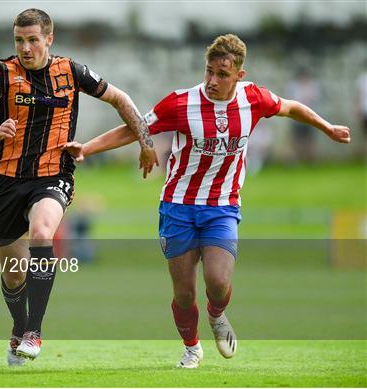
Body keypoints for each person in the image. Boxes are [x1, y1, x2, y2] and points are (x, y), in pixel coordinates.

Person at [63, 34, 351, 369]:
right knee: (184, 292)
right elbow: (136, 127)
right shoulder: (180, 103)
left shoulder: (254, 99)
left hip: (222, 207)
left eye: (222, 74)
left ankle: (217, 315)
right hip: (177, 207)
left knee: (217, 282)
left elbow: (291, 107)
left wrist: (326, 126)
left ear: (239, 75)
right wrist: (87, 147)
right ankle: (191, 347)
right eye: (209, 72)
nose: (213, 81)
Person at [0, 8, 157, 365]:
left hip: (54, 174)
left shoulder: (71, 71)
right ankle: (20, 327)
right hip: (7, 179)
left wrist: (145, 144)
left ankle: (34, 331)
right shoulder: (2, 73)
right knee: (13, 272)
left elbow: (122, 100)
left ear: (49, 39)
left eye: (33, 40)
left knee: (41, 233)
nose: (25, 47)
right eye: (19, 40)